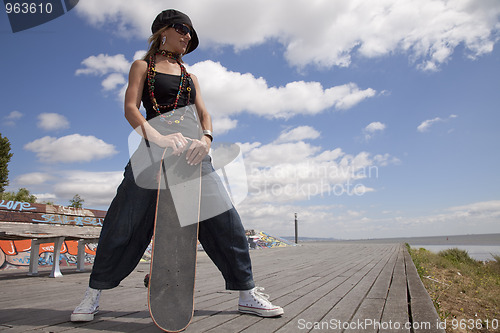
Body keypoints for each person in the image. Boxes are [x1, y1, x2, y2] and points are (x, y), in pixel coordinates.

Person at [71, 9, 283, 322]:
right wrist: (157, 138)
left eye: (191, 34)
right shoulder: (141, 66)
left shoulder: (191, 76)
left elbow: (204, 115)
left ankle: (246, 293)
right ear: (163, 31)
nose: (188, 37)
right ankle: (93, 294)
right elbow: (131, 109)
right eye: (183, 29)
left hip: (193, 152)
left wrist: (206, 140)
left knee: (225, 217)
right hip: (151, 150)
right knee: (124, 220)